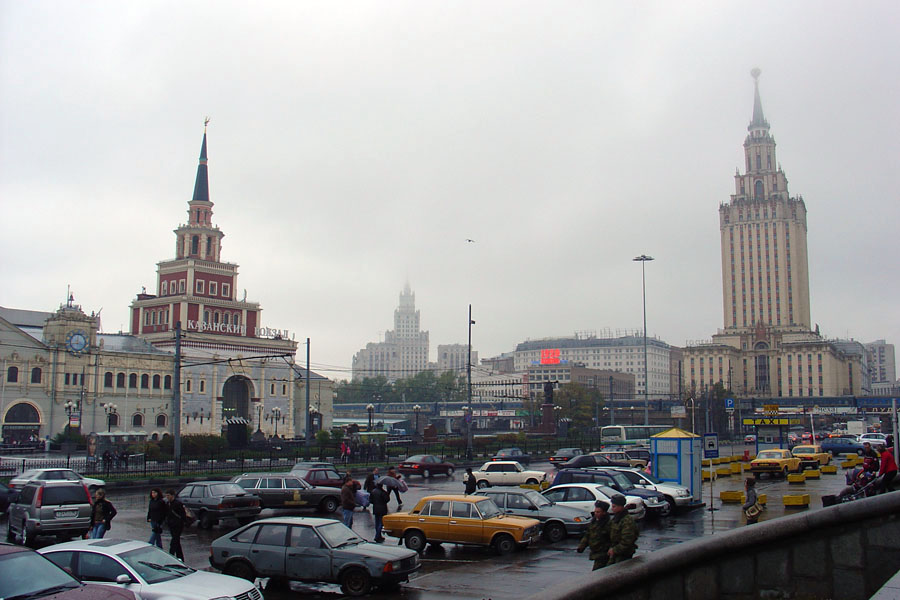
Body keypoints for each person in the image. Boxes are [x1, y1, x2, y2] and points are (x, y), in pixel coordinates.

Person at [577, 500, 612, 570]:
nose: (595, 513)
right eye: (595, 511)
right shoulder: (594, 521)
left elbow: (613, 538)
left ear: (604, 512)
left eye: (598, 512)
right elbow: (588, 534)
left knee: (597, 573)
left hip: (603, 554)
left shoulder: (608, 524)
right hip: (596, 552)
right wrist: (581, 546)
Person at [606, 494, 638, 564]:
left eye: (614, 506)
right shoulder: (617, 518)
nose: (612, 508)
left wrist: (614, 550)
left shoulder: (627, 521)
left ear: (620, 507)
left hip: (623, 554)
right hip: (616, 552)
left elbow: (627, 541)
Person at [164, 489, 187, 561]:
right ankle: (180, 558)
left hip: (178, 526)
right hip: (171, 525)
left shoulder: (178, 503)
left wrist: (181, 522)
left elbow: (183, 515)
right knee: (176, 542)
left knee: (174, 542)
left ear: (172, 496)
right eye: (166, 495)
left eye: (168, 495)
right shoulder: (168, 504)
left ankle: (170, 557)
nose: (167, 497)